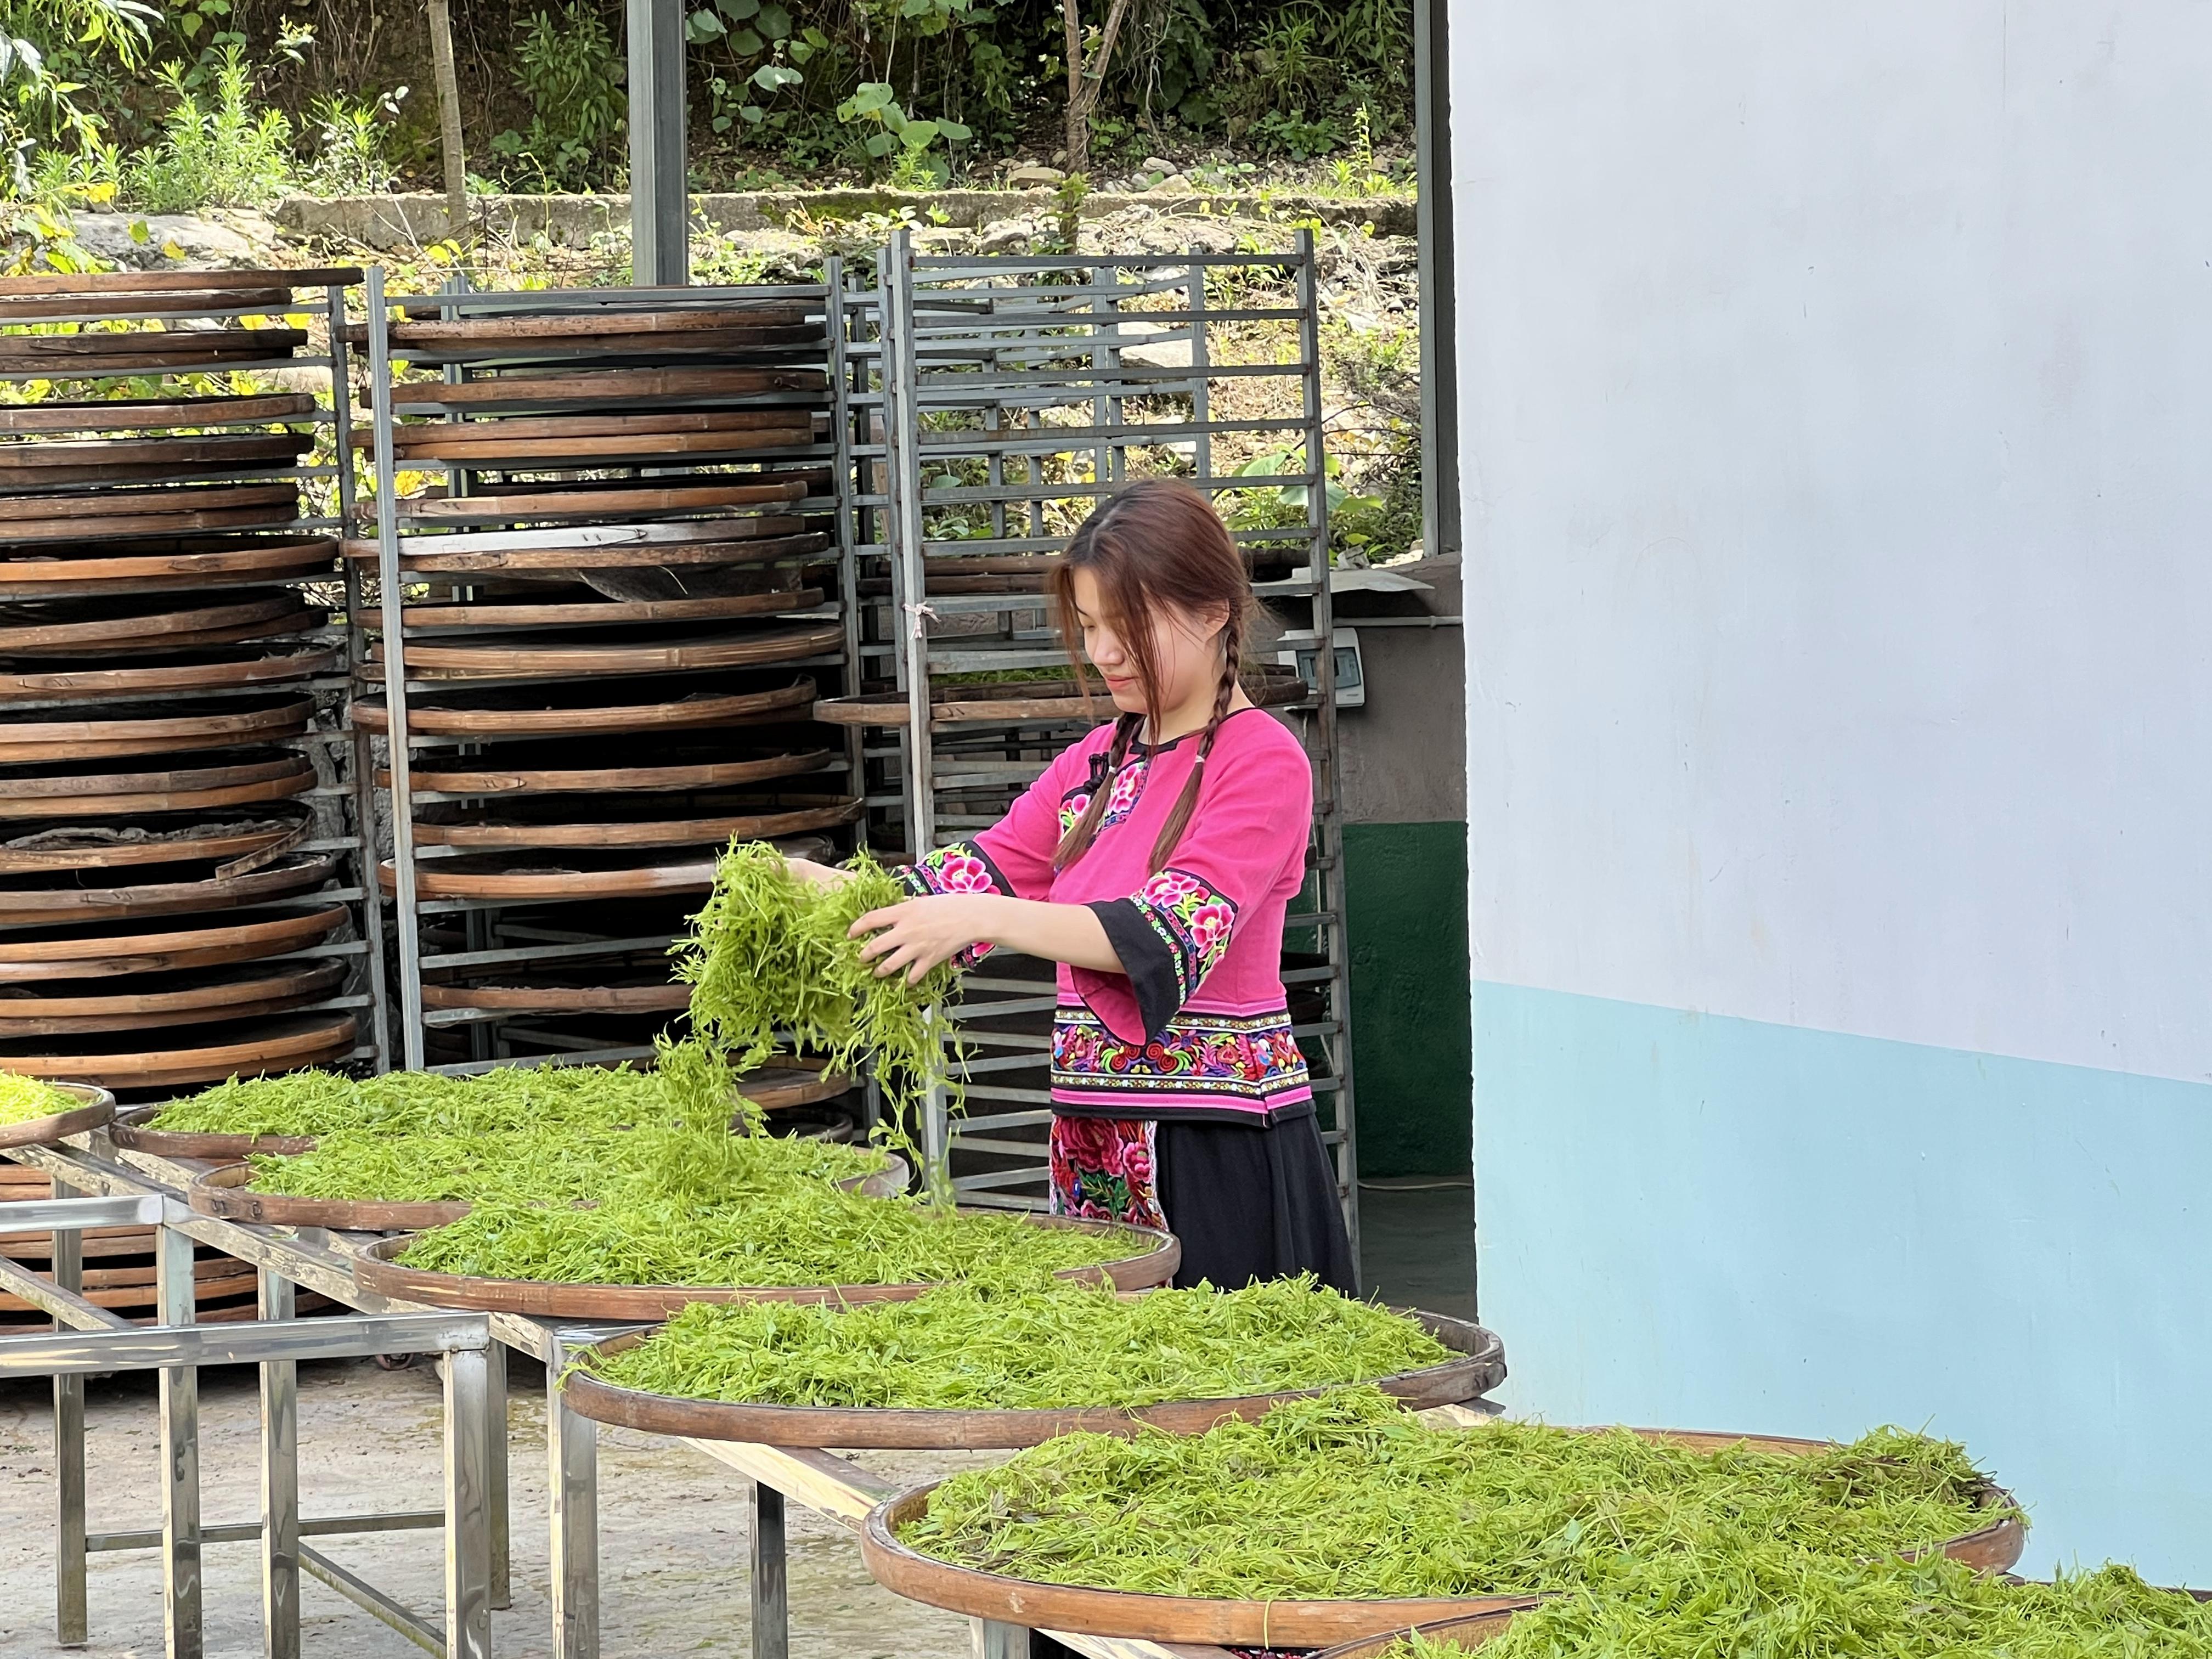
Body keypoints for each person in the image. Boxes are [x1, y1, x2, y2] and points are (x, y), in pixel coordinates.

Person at [796, 476, 1357, 1295]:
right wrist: (831, 890)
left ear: (1214, 613)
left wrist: (979, 915)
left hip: (1218, 1146)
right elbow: (972, 873)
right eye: (1091, 626)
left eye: (1129, 627)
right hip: (1089, 1145)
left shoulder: (1263, 759)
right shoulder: (1097, 761)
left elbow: (1166, 933)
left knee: (1225, 1367)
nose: (1104, 653)